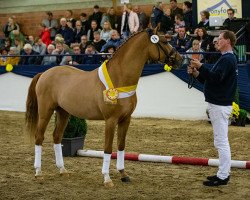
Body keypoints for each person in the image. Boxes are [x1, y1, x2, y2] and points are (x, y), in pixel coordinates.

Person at [188, 30, 237, 187]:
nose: (217, 41)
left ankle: (223, 176)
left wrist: (201, 66)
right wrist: (197, 73)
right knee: (220, 141)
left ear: (228, 41)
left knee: (221, 142)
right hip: (219, 104)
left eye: (220, 39)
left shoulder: (227, 59)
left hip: (220, 105)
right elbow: (211, 80)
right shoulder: (226, 59)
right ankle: (222, 173)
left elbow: (215, 78)